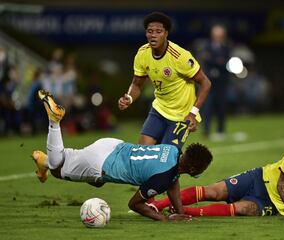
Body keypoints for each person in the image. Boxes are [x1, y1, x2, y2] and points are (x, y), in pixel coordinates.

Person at [32, 90, 213, 221]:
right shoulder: (163, 177)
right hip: (101, 163)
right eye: (202, 169)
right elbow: (134, 204)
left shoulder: (174, 149)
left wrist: (179, 211)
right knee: (58, 168)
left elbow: (180, 131)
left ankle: (43, 161)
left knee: (95, 182)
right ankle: (54, 121)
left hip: (112, 145)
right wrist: (164, 219)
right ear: (192, 169)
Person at [150, 133, 284, 218]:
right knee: (215, 192)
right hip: (259, 178)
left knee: (243, 209)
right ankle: (154, 206)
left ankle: (180, 212)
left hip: (274, 203)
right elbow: (282, 185)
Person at [118, 12, 211, 150]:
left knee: (166, 159)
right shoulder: (142, 54)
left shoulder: (180, 56)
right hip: (159, 110)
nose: (153, 35)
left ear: (166, 33)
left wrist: (193, 113)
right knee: (140, 153)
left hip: (181, 116)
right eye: (150, 31)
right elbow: (137, 84)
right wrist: (129, 97)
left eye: (158, 31)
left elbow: (205, 83)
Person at [196, 24, 231, 141]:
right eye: (216, 35)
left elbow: (225, 61)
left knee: (221, 106)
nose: (219, 37)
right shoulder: (206, 47)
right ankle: (206, 131)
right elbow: (207, 59)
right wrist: (217, 61)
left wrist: (214, 60)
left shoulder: (226, 47)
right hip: (209, 83)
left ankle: (220, 131)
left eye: (220, 35)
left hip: (222, 83)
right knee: (207, 107)